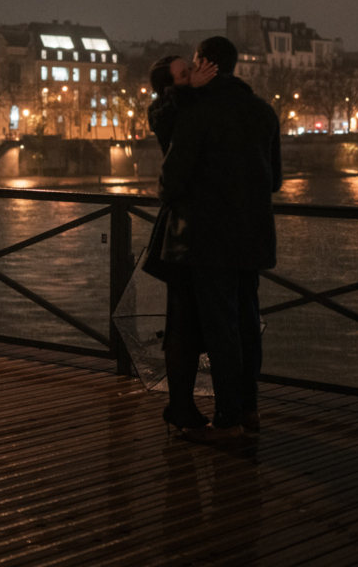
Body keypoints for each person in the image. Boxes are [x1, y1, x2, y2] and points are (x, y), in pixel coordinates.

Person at [159, 35, 283, 443]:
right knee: (248, 324)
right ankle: (249, 408)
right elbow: (276, 180)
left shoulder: (198, 111)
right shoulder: (264, 113)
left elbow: (172, 179)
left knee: (221, 330)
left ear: (204, 62)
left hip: (208, 241)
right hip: (253, 238)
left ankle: (226, 417)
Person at [145, 53, 216, 436]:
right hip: (183, 231)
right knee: (184, 323)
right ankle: (181, 405)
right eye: (186, 73)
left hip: (189, 229)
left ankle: (182, 405)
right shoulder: (167, 112)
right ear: (170, 86)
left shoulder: (181, 103)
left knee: (187, 322)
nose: (195, 75)